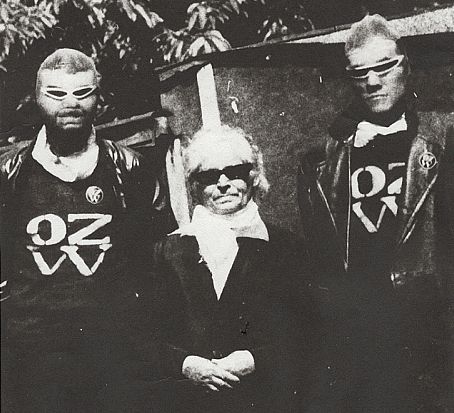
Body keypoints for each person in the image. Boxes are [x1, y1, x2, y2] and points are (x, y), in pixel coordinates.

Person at [0, 48, 174, 412]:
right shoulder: (10, 173)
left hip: (116, 355)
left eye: (82, 93)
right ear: (36, 97)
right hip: (30, 358)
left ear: (99, 98)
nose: (70, 104)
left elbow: (160, 256)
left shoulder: (130, 168)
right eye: (56, 93)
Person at [298, 15, 453, 413]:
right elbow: (319, 258)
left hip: (429, 329)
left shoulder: (442, 141)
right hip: (356, 337)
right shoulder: (322, 159)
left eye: (385, 67)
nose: (372, 81)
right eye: (359, 72)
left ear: (407, 66)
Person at [136, 125, 316, 413]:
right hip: (189, 403)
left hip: (267, 400)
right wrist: (185, 365)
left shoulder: (287, 248)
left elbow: (308, 331)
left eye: (234, 172)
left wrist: (254, 360)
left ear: (253, 176)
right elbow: (144, 336)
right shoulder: (167, 252)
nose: (223, 184)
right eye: (209, 176)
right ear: (194, 186)